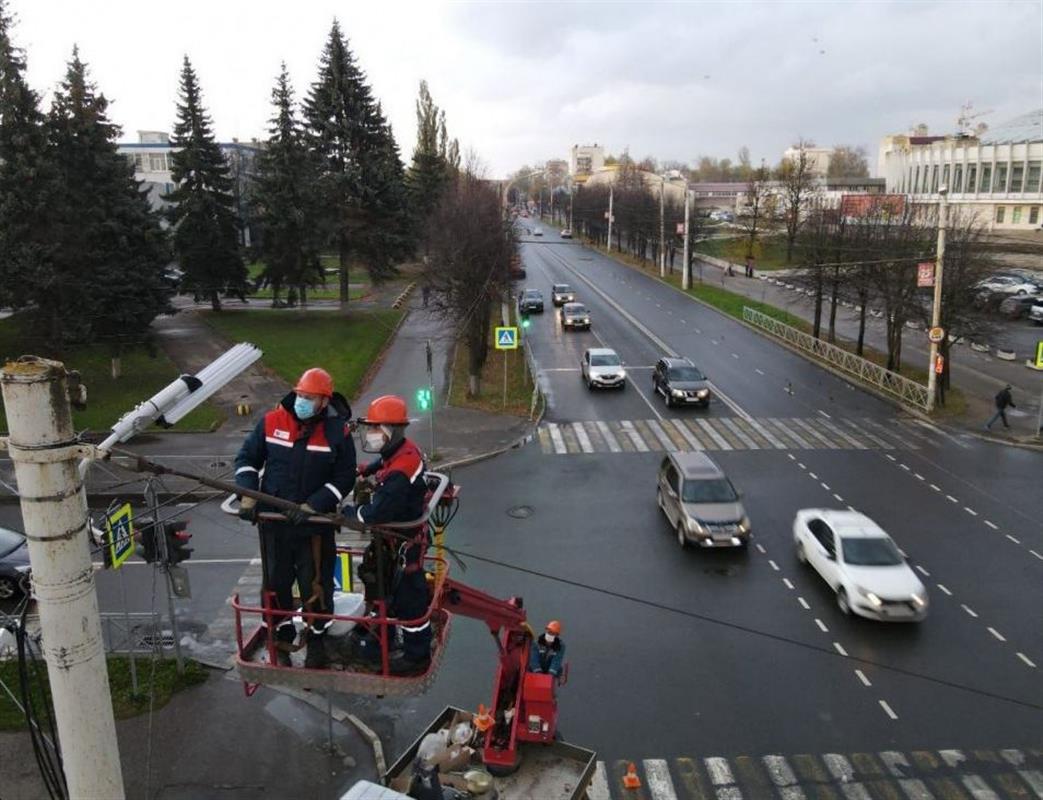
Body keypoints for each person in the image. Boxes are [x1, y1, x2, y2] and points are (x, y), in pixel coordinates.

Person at [235, 367, 356, 669]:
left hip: (313, 528)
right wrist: (248, 493)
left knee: (316, 586)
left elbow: (344, 478)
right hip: (274, 525)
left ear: (324, 402)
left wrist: (314, 505)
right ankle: (281, 637)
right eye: (301, 395)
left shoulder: (337, 432)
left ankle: (316, 642)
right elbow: (247, 459)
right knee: (275, 584)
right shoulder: (272, 422)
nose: (302, 401)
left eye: (310, 398)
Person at [343, 394, 432, 674]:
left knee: (409, 600)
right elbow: (385, 462)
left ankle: (416, 656)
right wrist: (366, 470)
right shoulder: (403, 451)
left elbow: (373, 515)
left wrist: (347, 513)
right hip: (399, 542)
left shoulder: (400, 473)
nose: (370, 433)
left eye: (374, 428)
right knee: (387, 589)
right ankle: (384, 636)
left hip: (405, 544)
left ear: (390, 430)